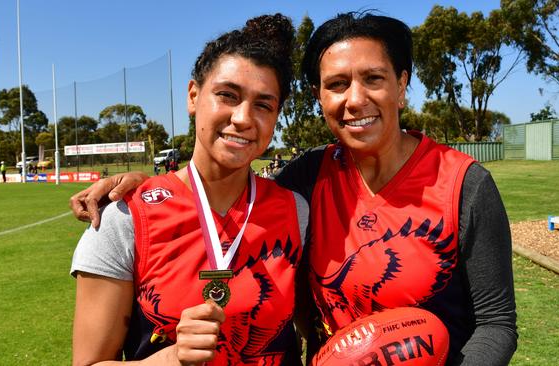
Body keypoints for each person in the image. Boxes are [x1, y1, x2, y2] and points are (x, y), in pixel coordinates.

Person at [70, 11, 517, 365]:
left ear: (401, 86)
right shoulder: (307, 179)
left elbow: (497, 323)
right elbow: (211, 197)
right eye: (337, 85)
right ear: (321, 97)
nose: (354, 99)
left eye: (374, 79)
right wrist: (145, 191)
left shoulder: (465, 184)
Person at [71, 13, 309, 365]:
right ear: (193, 95)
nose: (243, 117)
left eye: (263, 104)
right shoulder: (125, 218)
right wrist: (170, 359)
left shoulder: (297, 211)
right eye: (227, 95)